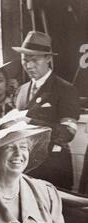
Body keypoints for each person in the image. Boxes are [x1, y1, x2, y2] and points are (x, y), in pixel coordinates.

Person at [13, 31, 80, 191]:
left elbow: (67, 133)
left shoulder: (65, 89)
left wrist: (30, 122)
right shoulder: (21, 91)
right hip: (23, 170)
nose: (29, 66)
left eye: (34, 60)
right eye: (25, 60)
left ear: (48, 59)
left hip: (53, 171)